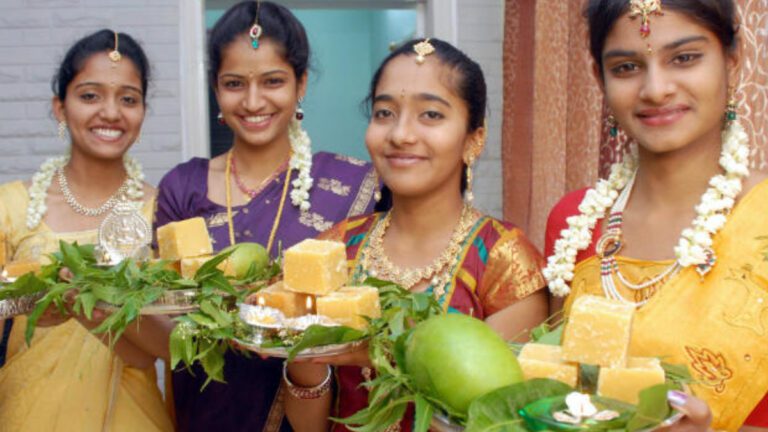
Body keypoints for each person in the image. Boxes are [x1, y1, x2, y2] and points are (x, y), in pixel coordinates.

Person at [283, 38, 550, 432]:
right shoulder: (337, 248)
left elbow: (497, 419)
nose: (401, 134)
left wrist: (376, 352)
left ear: (474, 138)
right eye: (385, 112)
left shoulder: (504, 261)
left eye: (430, 115)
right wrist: (303, 357)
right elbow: (309, 427)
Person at [543, 1, 768, 430]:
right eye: (627, 67)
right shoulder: (575, 222)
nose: (656, 89)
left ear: (732, 61)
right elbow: (554, 394)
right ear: (599, 78)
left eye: (684, 59)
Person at [153, 1, 376, 430]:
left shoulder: (354, 186)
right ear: (216, 90)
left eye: (273, 81)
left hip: (314, 412)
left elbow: (363, 321)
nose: (253, 101)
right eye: (235, 83)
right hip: (207, 412)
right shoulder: (182, 188)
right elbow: (166, 335)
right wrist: (99, 307)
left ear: (301, 84)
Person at [0, 29, 173, 431]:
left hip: (134, 417)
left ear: (143, 112)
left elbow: (167, 349)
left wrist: (97, 308)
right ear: (60, 108)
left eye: (128, 98)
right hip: (29, 412)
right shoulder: (11, 207)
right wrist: (29, 302)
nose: (111, 113)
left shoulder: (161, 212)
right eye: (90, 95)